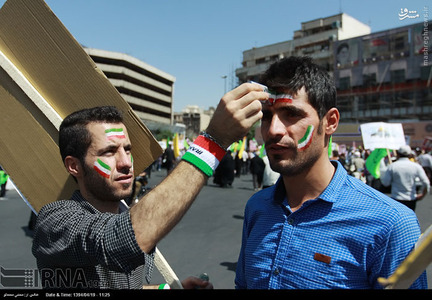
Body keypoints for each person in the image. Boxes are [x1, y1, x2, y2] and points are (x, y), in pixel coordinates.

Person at [32, 82, 267, 289]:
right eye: (108, 152)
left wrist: (167, 289)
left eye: (127, 149)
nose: (126, 163)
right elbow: (118, 240)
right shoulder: (54, 221)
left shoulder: (128, 213)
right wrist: (212, 142)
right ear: (74, 166)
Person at [235, 56, 427, 289]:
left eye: (292, 114)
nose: (273, 130)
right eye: (267, 116)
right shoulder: (257, 208)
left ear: (330, 122)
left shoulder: (391, 224)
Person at [380, 145, 430, 211]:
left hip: (396, 198)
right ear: (409, 154)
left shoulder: (392, 166)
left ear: (397, 154)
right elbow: (426, 182)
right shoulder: (416, 166)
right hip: (411, 198)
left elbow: (386, 183)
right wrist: (423, 195)